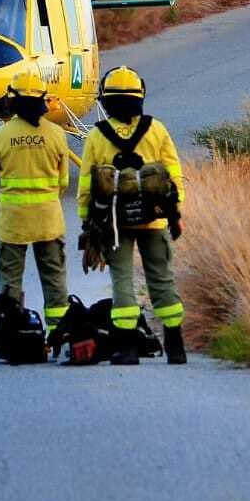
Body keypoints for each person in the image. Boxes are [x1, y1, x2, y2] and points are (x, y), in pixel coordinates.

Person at [76, 66, 188, 365]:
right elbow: (174, 175)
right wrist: (175, 215)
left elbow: (86, 184)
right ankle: (175, 346)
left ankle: (126, 349)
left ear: (106, 100)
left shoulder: (97, 137)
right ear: (140, 97)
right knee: (162, 280)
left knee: (122, 282)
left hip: (115, 224)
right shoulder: (157, 130)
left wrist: (88, 222)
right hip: (155, 219)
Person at [0, 70, 72, 340]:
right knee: (55, 281)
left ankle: (14, 335)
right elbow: (64, 181)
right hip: (49, 221)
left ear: (11, 101)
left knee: (10, 283)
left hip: (13, 223)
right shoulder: (57, 134)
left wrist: (10, 199)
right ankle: (59, 337)